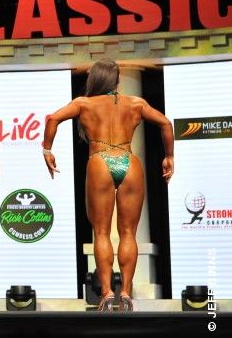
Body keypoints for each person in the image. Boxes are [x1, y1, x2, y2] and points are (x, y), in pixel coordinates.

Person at [42, 58, 173, 312]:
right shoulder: (136, 103)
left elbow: (53, 119)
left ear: (94, 80)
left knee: (101, 232)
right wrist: (169, 156)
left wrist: (47, 150)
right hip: (129, 161)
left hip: (100, 161)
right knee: (128, 233)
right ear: (117, 80)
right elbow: (165, 123)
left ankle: (106, 293)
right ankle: (125, 292)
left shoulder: (84, 103)